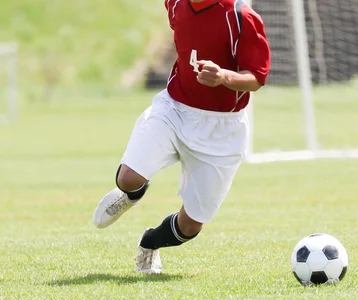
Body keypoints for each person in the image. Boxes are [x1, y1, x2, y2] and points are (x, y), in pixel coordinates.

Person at [92, 0, 271, 274]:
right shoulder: (175, 3)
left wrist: (224, 76)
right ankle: (131, 195)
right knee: (128, 179)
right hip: (174, 109)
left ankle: (149, 243)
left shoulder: (240, 16)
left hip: (222, 130)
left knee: (190, 226)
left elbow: (256, 77)